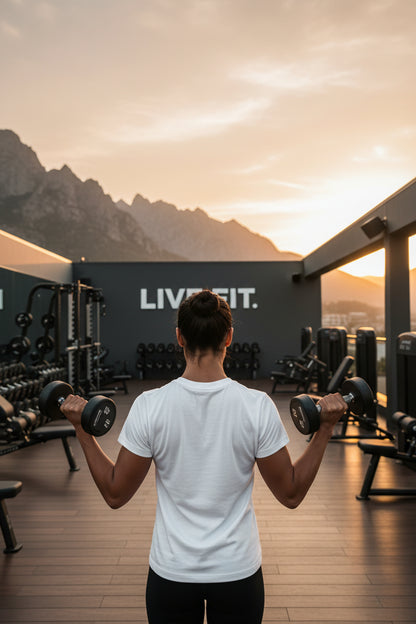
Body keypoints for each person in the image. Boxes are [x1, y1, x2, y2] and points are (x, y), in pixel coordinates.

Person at [61, 289, 347, 624]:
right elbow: (291, 493)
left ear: (179, 337)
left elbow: (115, 493)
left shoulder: (150, 405)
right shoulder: (256, 406)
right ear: (229, 338)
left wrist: (82, 429)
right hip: (238, 572)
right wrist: (325, 428)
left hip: (172, 573)